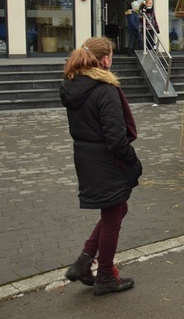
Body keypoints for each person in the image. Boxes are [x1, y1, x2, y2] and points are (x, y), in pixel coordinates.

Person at [60, 37, 142, 296]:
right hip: (106, 159)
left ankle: (84, 262)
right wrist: (134, 162)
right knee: (112, 218)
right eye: (111, 56)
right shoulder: (104, 89)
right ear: (105, 59)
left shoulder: (74, 85)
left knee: (118, 209)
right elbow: (116, 138)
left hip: (86, 156)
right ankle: (105, 275)